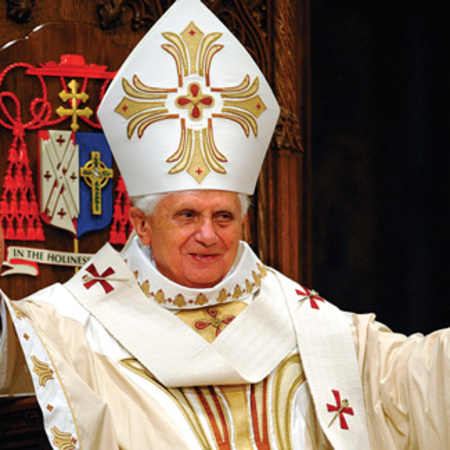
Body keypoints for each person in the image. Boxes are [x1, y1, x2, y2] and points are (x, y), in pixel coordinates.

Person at [1, 0, 449, 449]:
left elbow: (416, 379)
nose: (209, 235)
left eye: (224, 217)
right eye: (187, 215)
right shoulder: (77, 321)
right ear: (141, 223)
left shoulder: (304, 321)